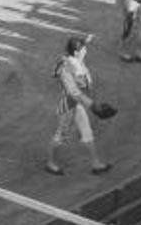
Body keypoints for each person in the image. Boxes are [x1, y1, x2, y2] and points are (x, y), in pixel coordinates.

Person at [45, 35, 112, 175]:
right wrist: (94, 106)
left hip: (76, 105)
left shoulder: (74, 60)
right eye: (82, 49)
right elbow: (75, 93)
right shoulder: (69, 69)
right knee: (61, 135)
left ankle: (96, 164)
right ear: (76, 52)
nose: (85, 51)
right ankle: (50, 163)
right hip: (68, 106)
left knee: (87, 132)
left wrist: (86, 40)